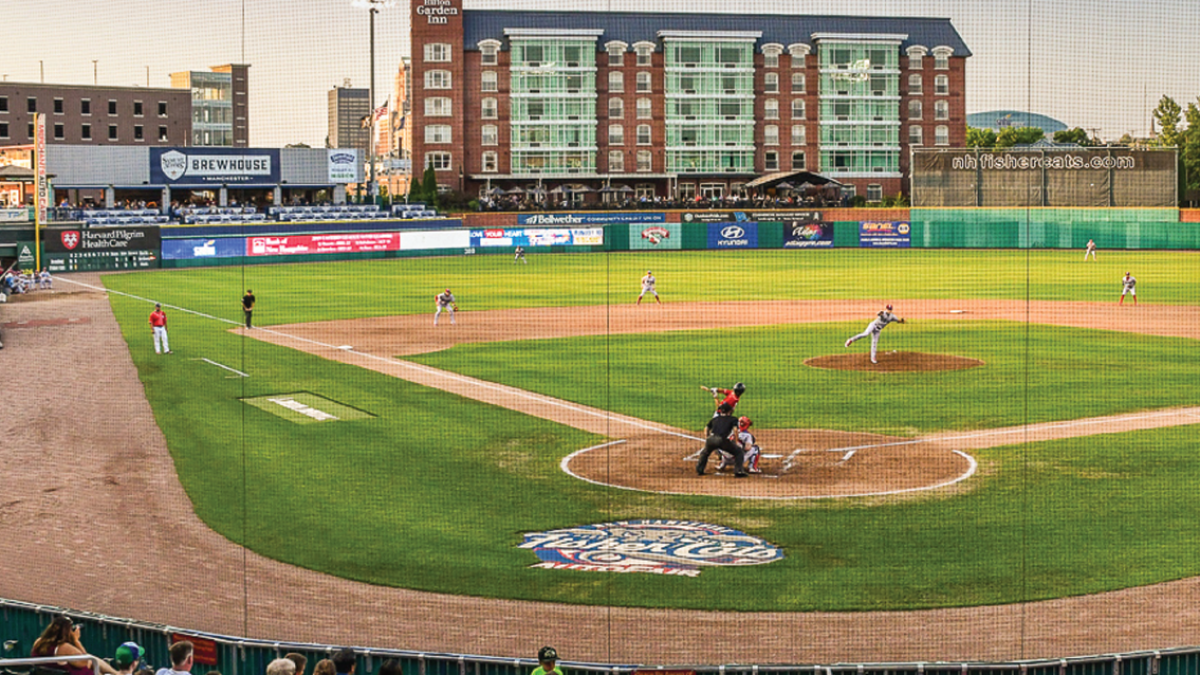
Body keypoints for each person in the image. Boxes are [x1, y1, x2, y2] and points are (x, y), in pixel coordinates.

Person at [31, 616, 120, 675]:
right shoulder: (64, 648)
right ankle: (117, 674)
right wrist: (76, 641)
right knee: (93, 661)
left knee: (93, 663)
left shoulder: (38, 642)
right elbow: (85, 660)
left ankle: (117, 673)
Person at [695, 403, 746, 477]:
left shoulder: (715, 419)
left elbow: (706, 428)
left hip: (711, 439)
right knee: (738, 452)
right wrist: (736, 442)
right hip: (722, 440)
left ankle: (699, 470)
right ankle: (738, 471)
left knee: (704, 453)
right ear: (730, 411)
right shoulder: (733, 419)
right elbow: (735, 430)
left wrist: (707, 438)